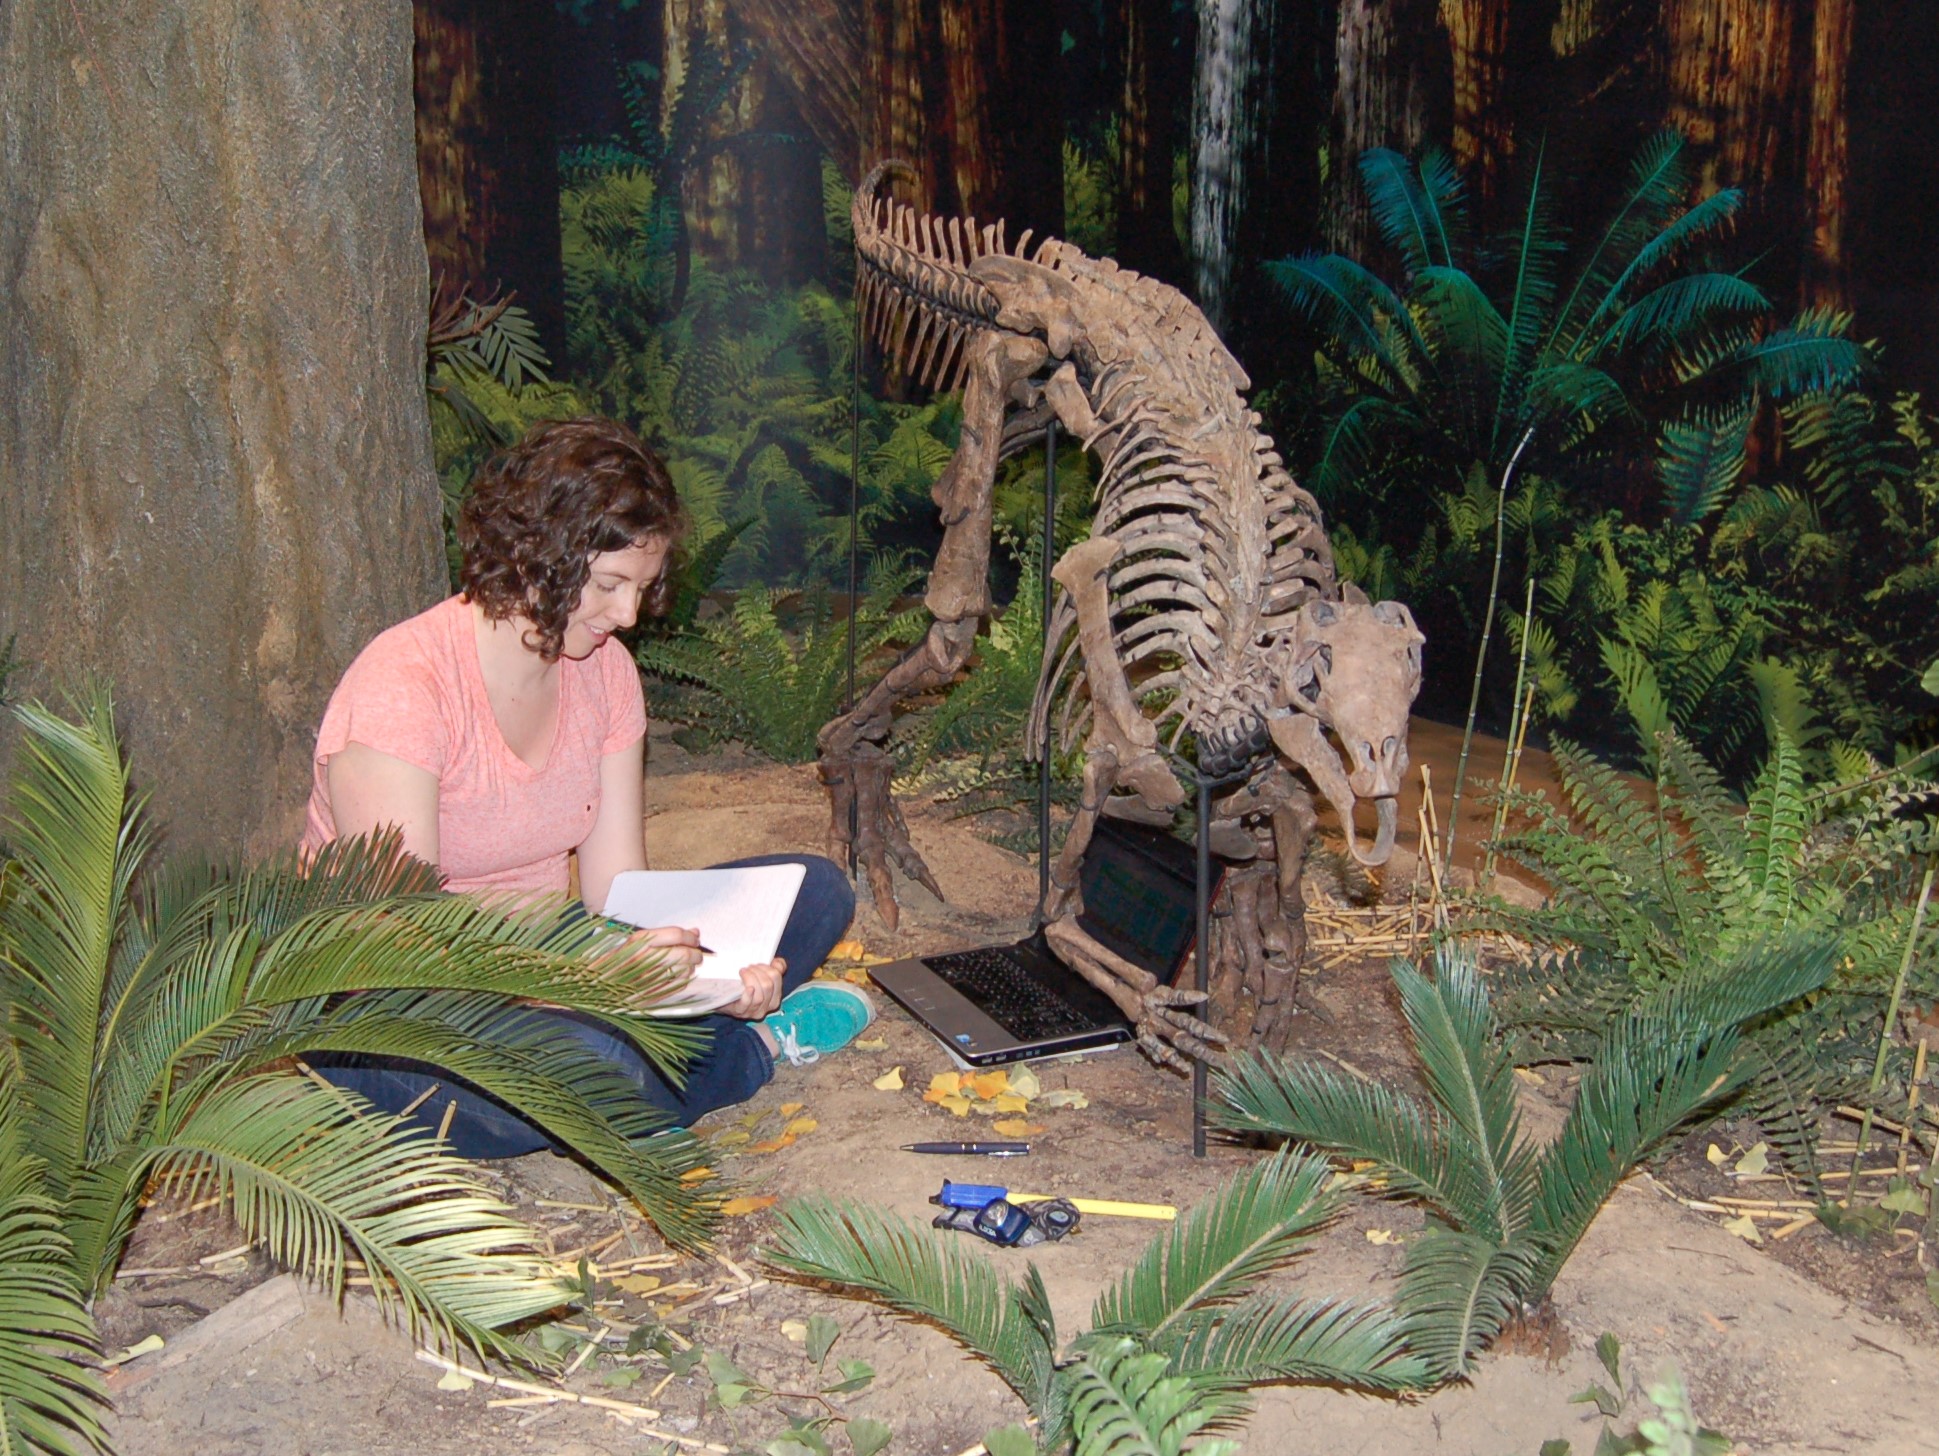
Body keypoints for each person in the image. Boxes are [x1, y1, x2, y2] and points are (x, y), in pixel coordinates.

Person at [301, 416, 871, 1156]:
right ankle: (742, 1055)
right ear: (537, 554)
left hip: (561, 975)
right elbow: (409, 932)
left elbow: (615, 895)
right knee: (593, 1066)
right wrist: (601, 970)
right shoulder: (405, 685)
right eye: (607, 586)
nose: (627, 616)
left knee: (815, 889)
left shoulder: (606, 673)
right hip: (399, 1006)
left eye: (641, 588)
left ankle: (682, 1043)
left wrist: (708, 974)